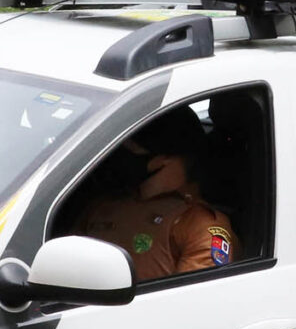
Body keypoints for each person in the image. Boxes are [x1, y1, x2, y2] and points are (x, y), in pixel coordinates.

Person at [74, 110, 234, 282]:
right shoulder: (103, 206)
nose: (124, 160)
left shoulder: (199, 225)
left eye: (134, 153)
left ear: (167, 159)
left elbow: (193, 301)